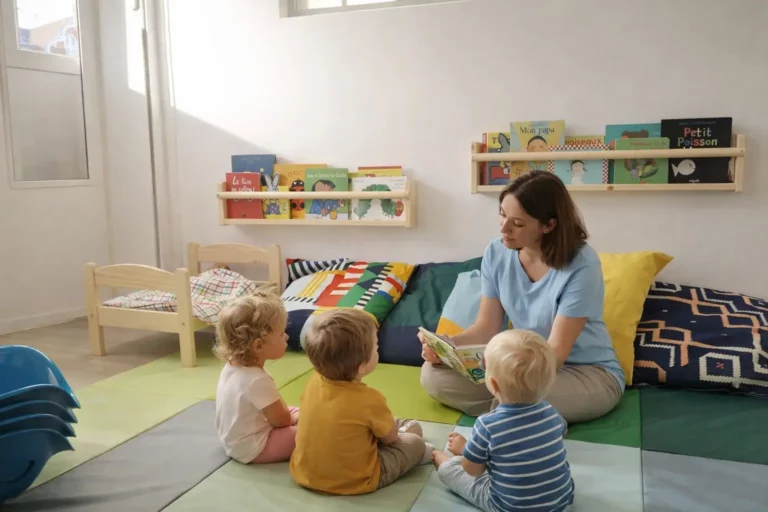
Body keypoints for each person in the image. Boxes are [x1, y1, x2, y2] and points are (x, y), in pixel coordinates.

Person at [420, 170, 624, 424]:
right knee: (433, 375)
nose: (504, 228)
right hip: (521, 368)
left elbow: (556, 354)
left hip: (585, 372)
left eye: (517, 223)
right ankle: (520, 416)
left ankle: (509, 413)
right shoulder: (496, 253)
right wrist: (448, 346)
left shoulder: (582, 264)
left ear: (549, 225)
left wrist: (506, 376)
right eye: (503, 215)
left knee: (519, 398)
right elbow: (485, 329)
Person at [289, 308, 433, 495]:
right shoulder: (369, 399)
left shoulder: (313, 382)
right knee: (415, 441)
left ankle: (403, 430)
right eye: (376, 347)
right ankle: (421, 452)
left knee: (377, 423)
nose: (378, 349)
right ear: (361, 367)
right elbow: (390, 439)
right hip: (357, 479)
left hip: (305, 473)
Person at [432, 329, 575, 512]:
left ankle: (442, 461)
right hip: (561, 503)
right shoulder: (551, 412)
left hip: (508, 507)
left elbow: (473, 471)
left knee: (456, 472)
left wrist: (466, 452)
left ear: (493, 384)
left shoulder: (487, 425)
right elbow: (557, 433)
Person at [214, 286, 299, 464]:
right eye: (282, 334)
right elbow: (282, 421)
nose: (286, 338)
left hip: (233, 440)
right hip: (253, 447)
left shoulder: (232, 367)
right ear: (259, 345)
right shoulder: (257, 380)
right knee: (311, 432)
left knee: (301, 412)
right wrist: (296, 420)